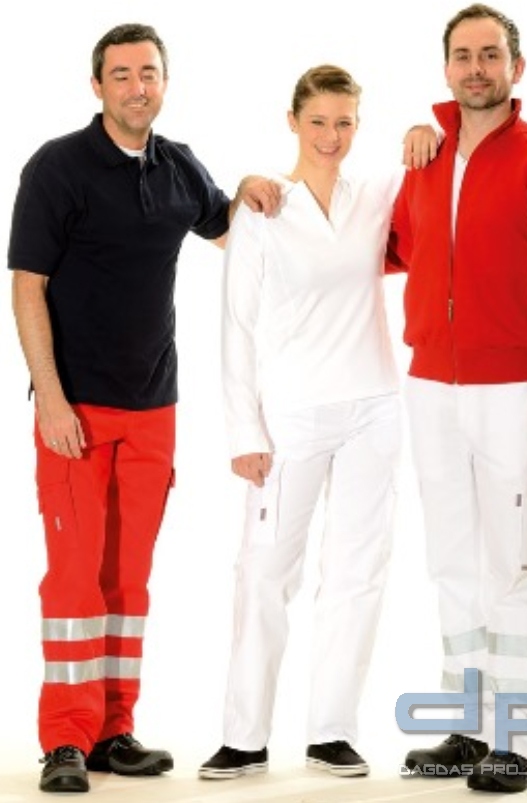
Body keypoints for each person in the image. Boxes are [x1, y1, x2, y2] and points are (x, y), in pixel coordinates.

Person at [7, 22, 281, 795]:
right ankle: (64, 739)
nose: (137, 87)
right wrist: (51, 398)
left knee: (128, 580)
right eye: (121, 74)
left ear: (165, 82)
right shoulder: (58, 167)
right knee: (74, 580)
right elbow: (26, 286)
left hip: (154, 406)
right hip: (75, 409)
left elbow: (234, 234)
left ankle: (111, 728)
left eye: (148, 73)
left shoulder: (177, 166)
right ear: (96, 85)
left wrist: (256, 187)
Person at [386, 3, 527, 795]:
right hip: (430, 386)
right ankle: (468, 724)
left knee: (522, 562)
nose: (475, 68)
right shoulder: (424, 159)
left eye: (489, 54)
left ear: (516, 67)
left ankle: (519, 739)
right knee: (454, 560)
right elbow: (389, 248)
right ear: (445, 67)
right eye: (462, 55)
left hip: (516, 388)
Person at [197, 64, 410, 782]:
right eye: (318, 121)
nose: (331, 136)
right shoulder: (263, 208)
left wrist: (425, 131)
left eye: (344, 122)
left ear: (358, 125)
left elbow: (435, 175)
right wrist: (243, 433)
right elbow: (235, 325)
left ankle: (331, 731)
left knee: (357, 572)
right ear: (293, 122)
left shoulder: (374, 194)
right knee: (263, 572)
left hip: (373, 408)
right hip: (289, 416)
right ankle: (243, 736)